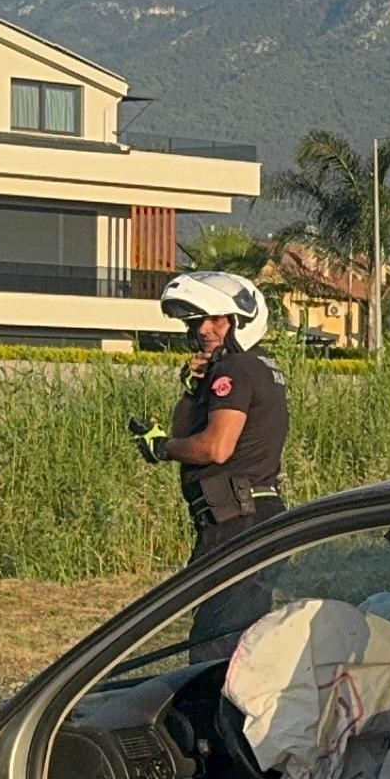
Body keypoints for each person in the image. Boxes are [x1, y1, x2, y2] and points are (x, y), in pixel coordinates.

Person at [131, 271, 291, 647]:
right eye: (196, 322)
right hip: (250, 515)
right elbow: (193, 428)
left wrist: (163, 448)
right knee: (240, 642)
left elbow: (215, 447)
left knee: (214, 646)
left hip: (236, 519)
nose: (204, 329)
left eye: (215, 319)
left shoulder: (236, 368)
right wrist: (193, 389)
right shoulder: (260, 367)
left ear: (241, 319)